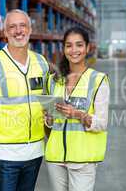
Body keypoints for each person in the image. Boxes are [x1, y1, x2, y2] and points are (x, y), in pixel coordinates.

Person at [0, 9, 49, 191]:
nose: (18, 31)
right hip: (2, 157)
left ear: (30, 30)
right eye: (12, 27)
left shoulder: (41, 63)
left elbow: (47, 108)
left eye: (23, 26)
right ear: (5, 33)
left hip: (34, 155)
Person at [44, 26, 110, 191]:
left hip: (83, 160)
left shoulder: (98, 80)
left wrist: (78, 114)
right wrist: (49, 118)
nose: (74, 50)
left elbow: (102, 123)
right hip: (56, 157)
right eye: (69, 45)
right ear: (64, 49)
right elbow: (51, 125)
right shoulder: (54, 80)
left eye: (79, 45)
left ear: (88, 48)